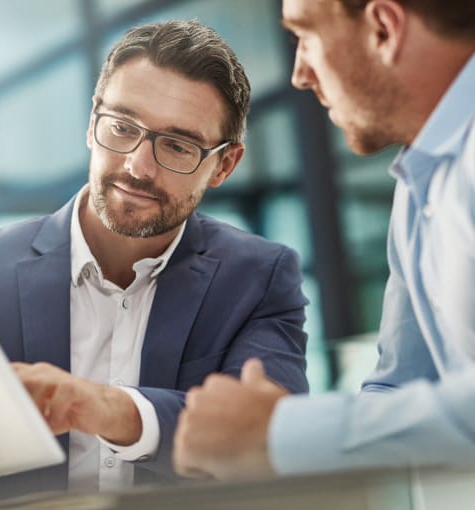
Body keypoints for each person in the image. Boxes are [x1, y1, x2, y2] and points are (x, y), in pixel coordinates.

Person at [0, 20, 309, 501]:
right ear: (92, 124)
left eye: (177, 145)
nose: (136, 167)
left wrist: (109, 409)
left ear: (225, 165)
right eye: (122, 128)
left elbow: (271, 438)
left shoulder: (258, 279)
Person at [173, 0, 475, 480]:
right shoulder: (421, 182)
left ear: (383, 28)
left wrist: (284, 434)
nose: (299, 74)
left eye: (306, 36)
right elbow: (397, 391)